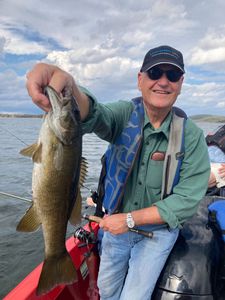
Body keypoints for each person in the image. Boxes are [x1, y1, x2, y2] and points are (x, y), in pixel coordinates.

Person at [26, 45, 210, 300]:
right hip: (113, 229)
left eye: (173, 75)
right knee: (108, 292)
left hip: (156, 233)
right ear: (140, 79)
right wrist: (69, 85)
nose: (163, 82)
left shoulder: (192, 136)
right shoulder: (124, 115)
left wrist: (130, 219)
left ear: (181, 83)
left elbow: (187, 200)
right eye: (155, 72)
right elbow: (94, 114)